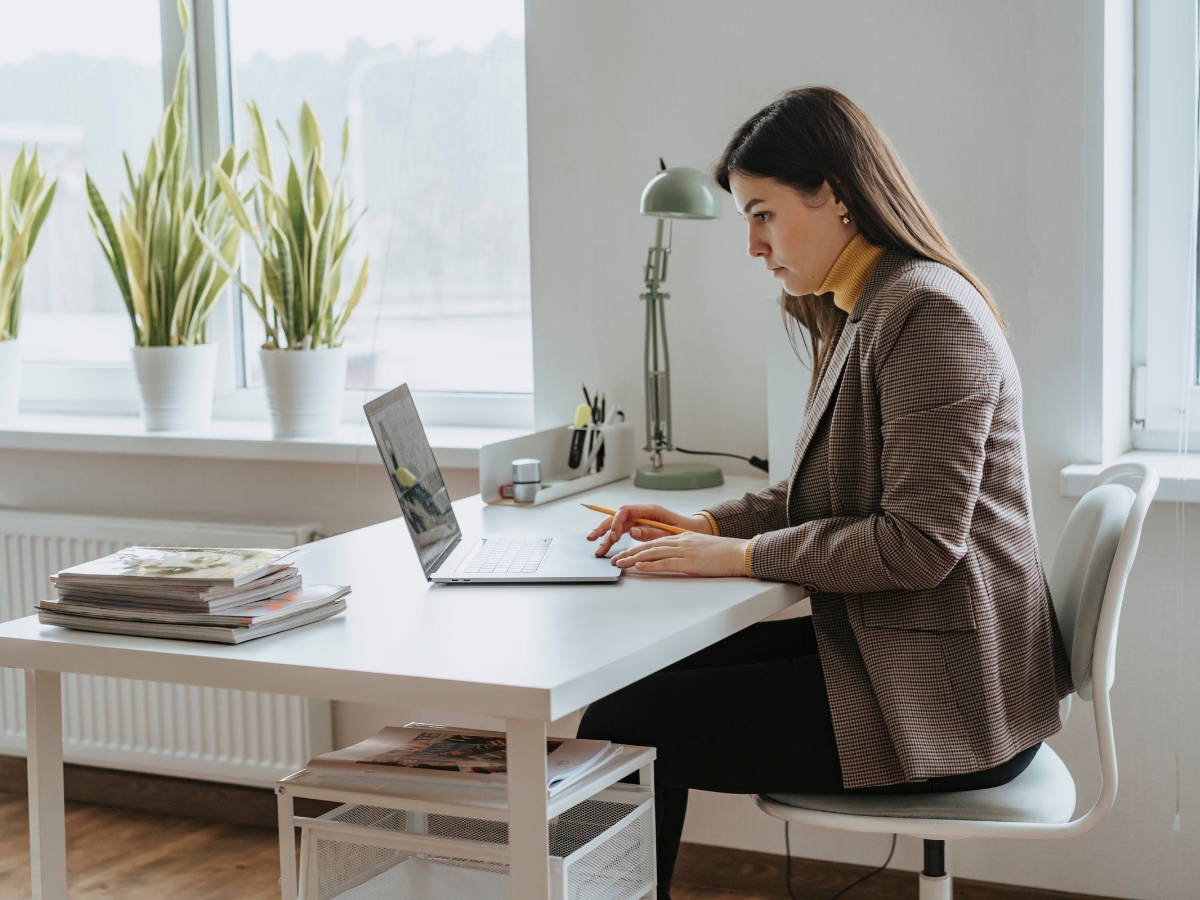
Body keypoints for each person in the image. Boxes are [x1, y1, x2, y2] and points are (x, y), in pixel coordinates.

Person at [580, 86, 1072, 898]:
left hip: (950, 699)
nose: (751, 244)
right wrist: (703, 522)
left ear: (837, 197)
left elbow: (916, 544)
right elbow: (824, 491)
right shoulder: (860, 308)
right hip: (902, 652)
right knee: (628, 693)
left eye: (764, 213)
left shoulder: (925, 314)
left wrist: (738, 556)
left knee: (622, 725)